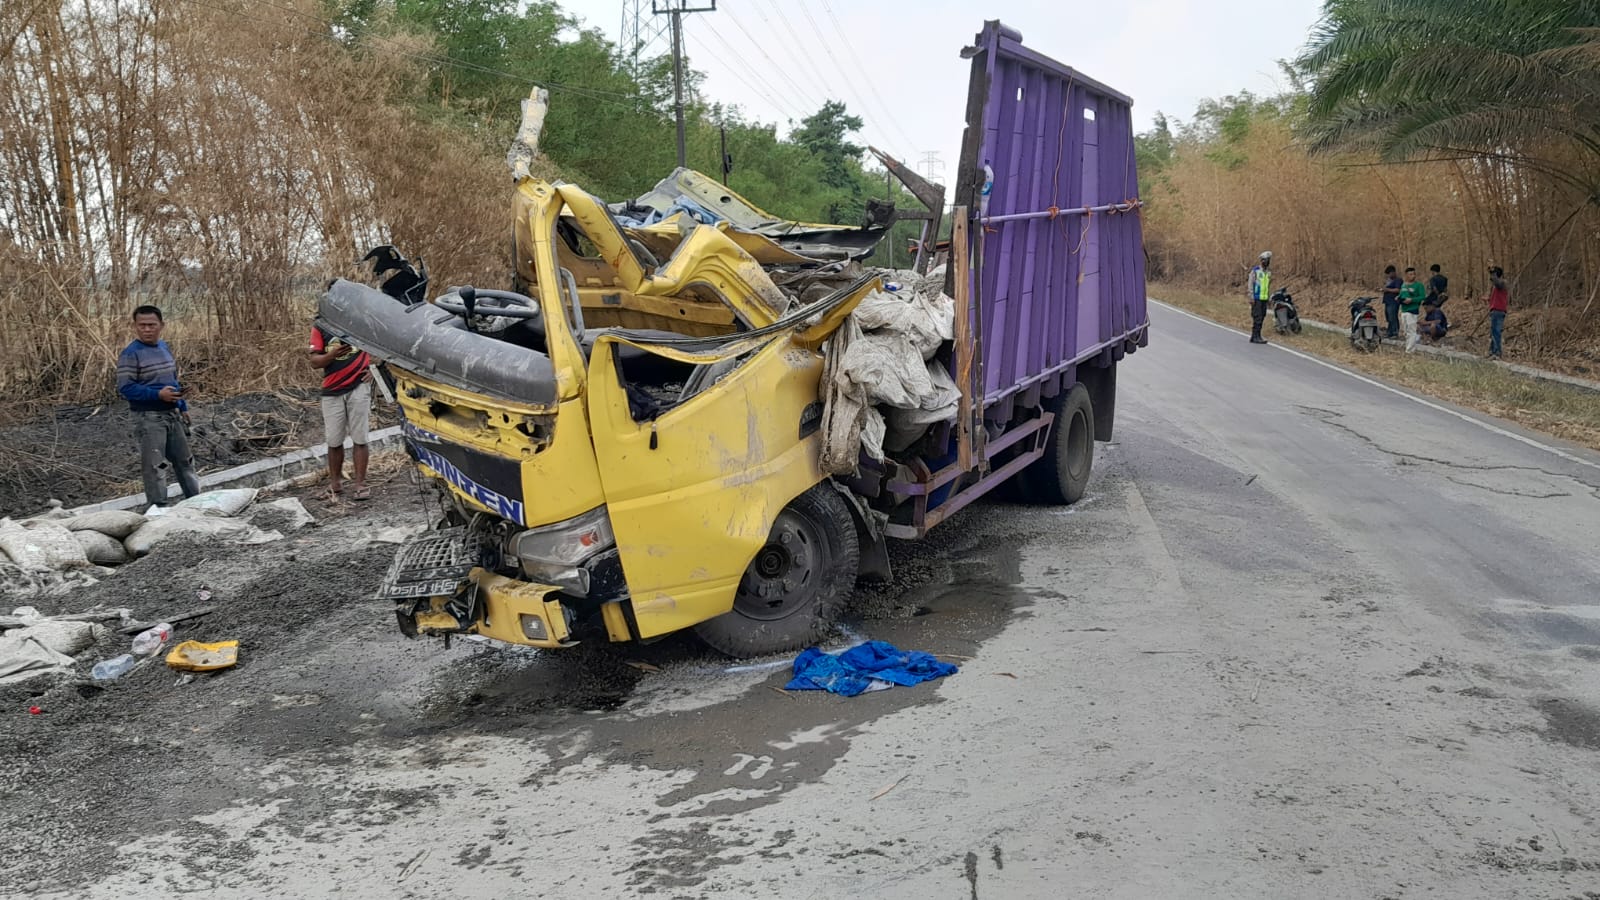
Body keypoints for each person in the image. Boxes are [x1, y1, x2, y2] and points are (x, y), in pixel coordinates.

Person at [117, 305, 203, 508]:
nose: (147, 329)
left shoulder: (164, 347)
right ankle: (159, 509)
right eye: (142, 325)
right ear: (135, 327)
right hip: (149, 417)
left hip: (172, 414)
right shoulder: (131, 354)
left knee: (185, 461)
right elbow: (126, 388)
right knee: (156, 466)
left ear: (161, 325)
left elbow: (173, 381)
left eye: (151, 325)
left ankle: (197, 502)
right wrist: (157, 394)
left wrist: (182, 406)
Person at [308, 325, 373, 500]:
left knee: (360, 437)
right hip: (332, 389)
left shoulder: (360, 324)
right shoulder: (321, 327)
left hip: (358, 385)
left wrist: (375, 370)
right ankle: (335, 483)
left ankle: (360, 483)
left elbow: (383, 347)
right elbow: (315, 362)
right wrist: (332, 355)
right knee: (334, 440)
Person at [1399, 267, 1426, 351]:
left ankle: (1410, 350)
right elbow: (1401, 294)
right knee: (1406, 331)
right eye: (1410, 274)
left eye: (1414, 274)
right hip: (1404, 309)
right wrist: (1399, 298)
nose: (1413, 276)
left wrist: (1412, 300)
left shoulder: (1419, 285)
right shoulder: (1403, 285)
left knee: (1411, 330)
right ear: (1406, 275)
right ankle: (1408, 346)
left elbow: (1422, 297)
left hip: (1412, 310)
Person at [1248, 251, 1272, 344]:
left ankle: (1257, 335)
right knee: (1257, 317)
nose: (1267, 262)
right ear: (1262, 260)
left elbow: (1267, 286)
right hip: (1256, 298)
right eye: (1266, 260)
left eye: (1268, 260)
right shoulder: (1255, 271)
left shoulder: (1268, 272)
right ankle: (1255, 336)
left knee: (1262, 316)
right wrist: (1251, 296)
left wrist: (1269, 298)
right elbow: (1250, 284)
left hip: (1264, 298)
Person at [1485, 266, 1509, 359]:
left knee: (1496, 331)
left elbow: (1497, 283)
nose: (1491, 277)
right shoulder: (1496, 286)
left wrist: (1493, 274)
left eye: (1493, 274)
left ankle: (1497, 352)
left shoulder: (1502, 283)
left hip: (1499, 311)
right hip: (1494, 310)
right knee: (1493, 331)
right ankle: (1492, 351)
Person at [1380, 265, 1402, 339]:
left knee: (1393, 316)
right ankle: (1389, 332)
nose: (1388, 276)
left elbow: (1398, 290)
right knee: (1389, 317)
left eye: (1389, 274)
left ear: (1393, 272)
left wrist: (1387, 290)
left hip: (1393, 301)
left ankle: (1395, 332)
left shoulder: (1398, 280)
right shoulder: (1389, 280)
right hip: (1387, 301)